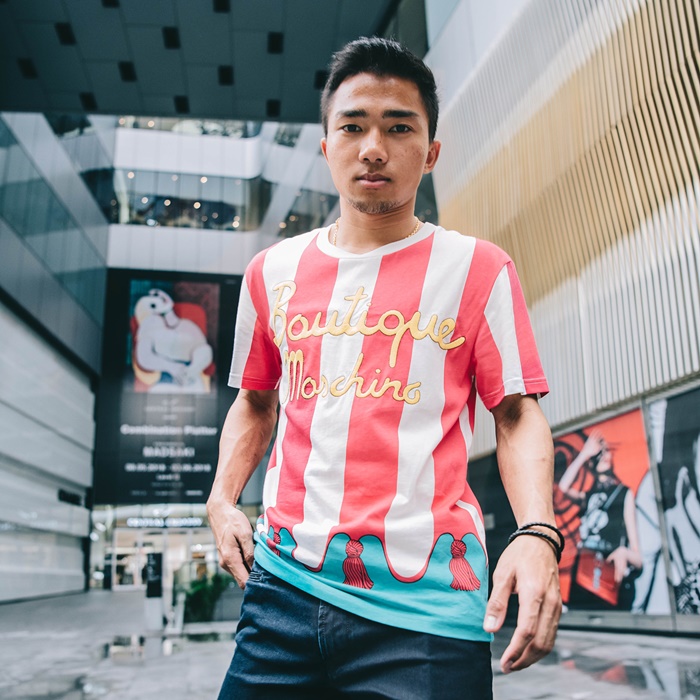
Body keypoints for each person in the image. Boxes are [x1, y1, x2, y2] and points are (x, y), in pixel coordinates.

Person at [207, 37, 562, 699]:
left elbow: (516, 414)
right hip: (282, 590)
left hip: (427, 607)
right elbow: (256, 401)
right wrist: (223, 498)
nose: (374, 148)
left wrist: (538, 530)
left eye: (399, 127)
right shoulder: (270, 273)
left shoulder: (479, 268)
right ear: (326, 146)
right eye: (353, 126)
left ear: (430, 152)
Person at [558, 430, 642, 608]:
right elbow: (563, 487)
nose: (603, 456)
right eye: (598, 454)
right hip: (582, 576)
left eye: (606, 451)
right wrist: (584, 454)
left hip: (605, 579)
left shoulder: (623, 494)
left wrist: (623, 552)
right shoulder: (588, 496)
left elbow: (638, 558)